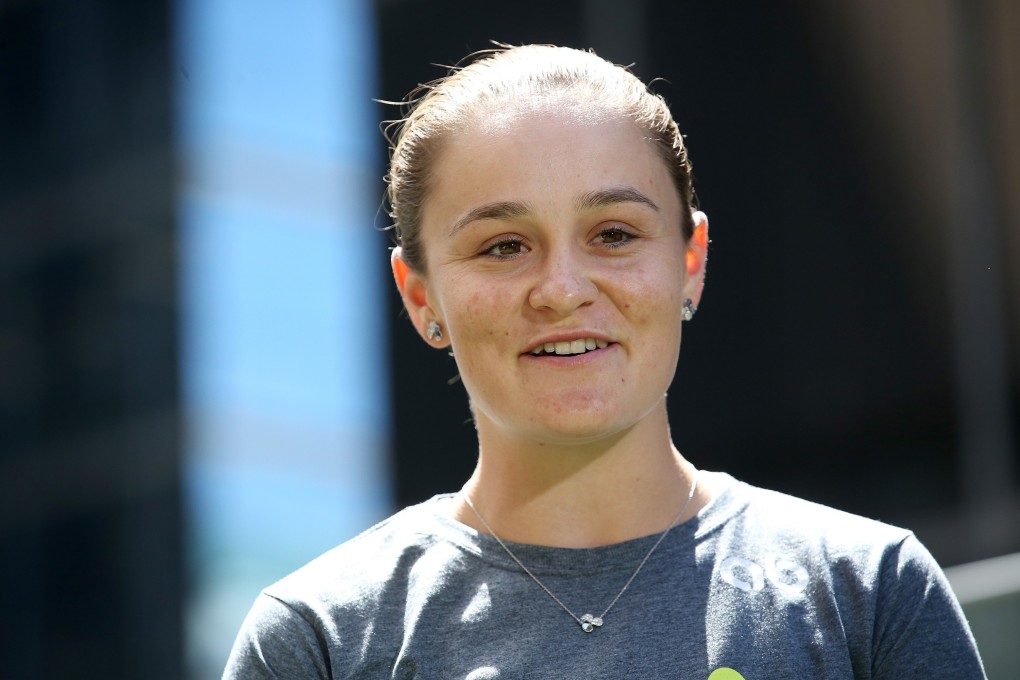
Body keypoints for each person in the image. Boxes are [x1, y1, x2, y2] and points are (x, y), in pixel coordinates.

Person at [223, 44, 985, 679]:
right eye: (504, 246)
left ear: (690, 262)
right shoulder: (316, 639)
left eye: (614, 234)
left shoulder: (868, 591)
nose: (561, 289)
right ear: (421, 297)